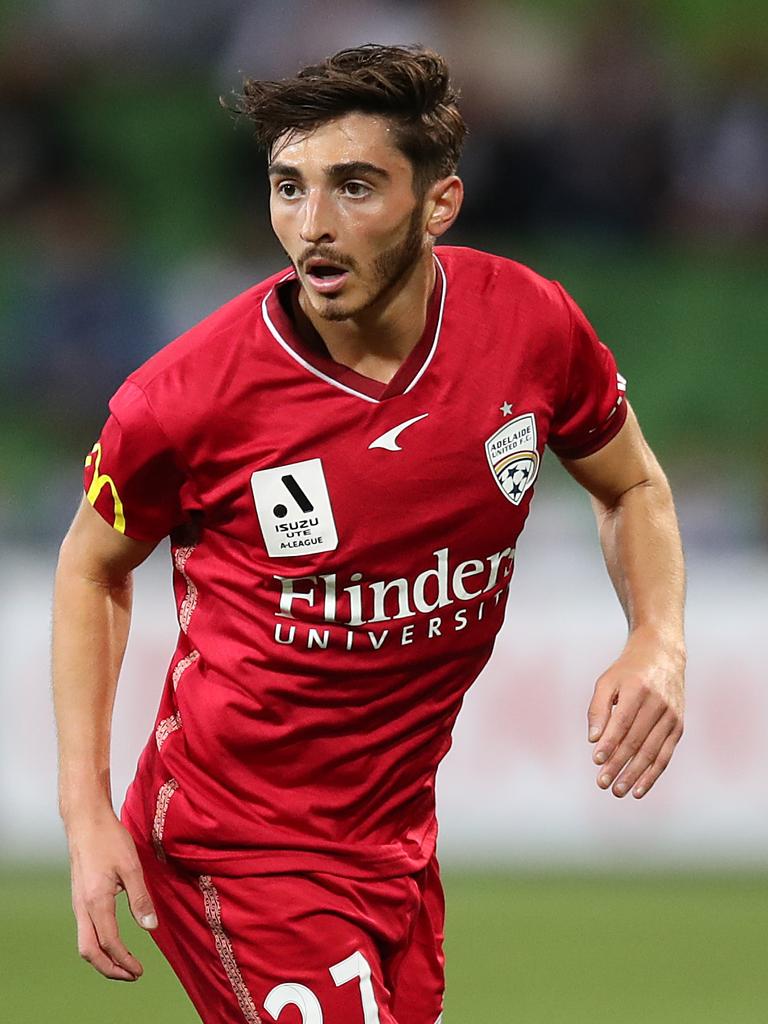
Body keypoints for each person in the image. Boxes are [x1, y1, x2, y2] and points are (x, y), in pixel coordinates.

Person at [52, 44, 685, 1024]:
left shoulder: (527, 327)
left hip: (393, 838)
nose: (312, 226)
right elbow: (91, 566)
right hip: (240, 837)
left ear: (439, 204)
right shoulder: (188, 398)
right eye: (288, 188)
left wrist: (658, 634)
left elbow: (632, 483)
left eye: (354, 187)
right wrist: (86, 811)